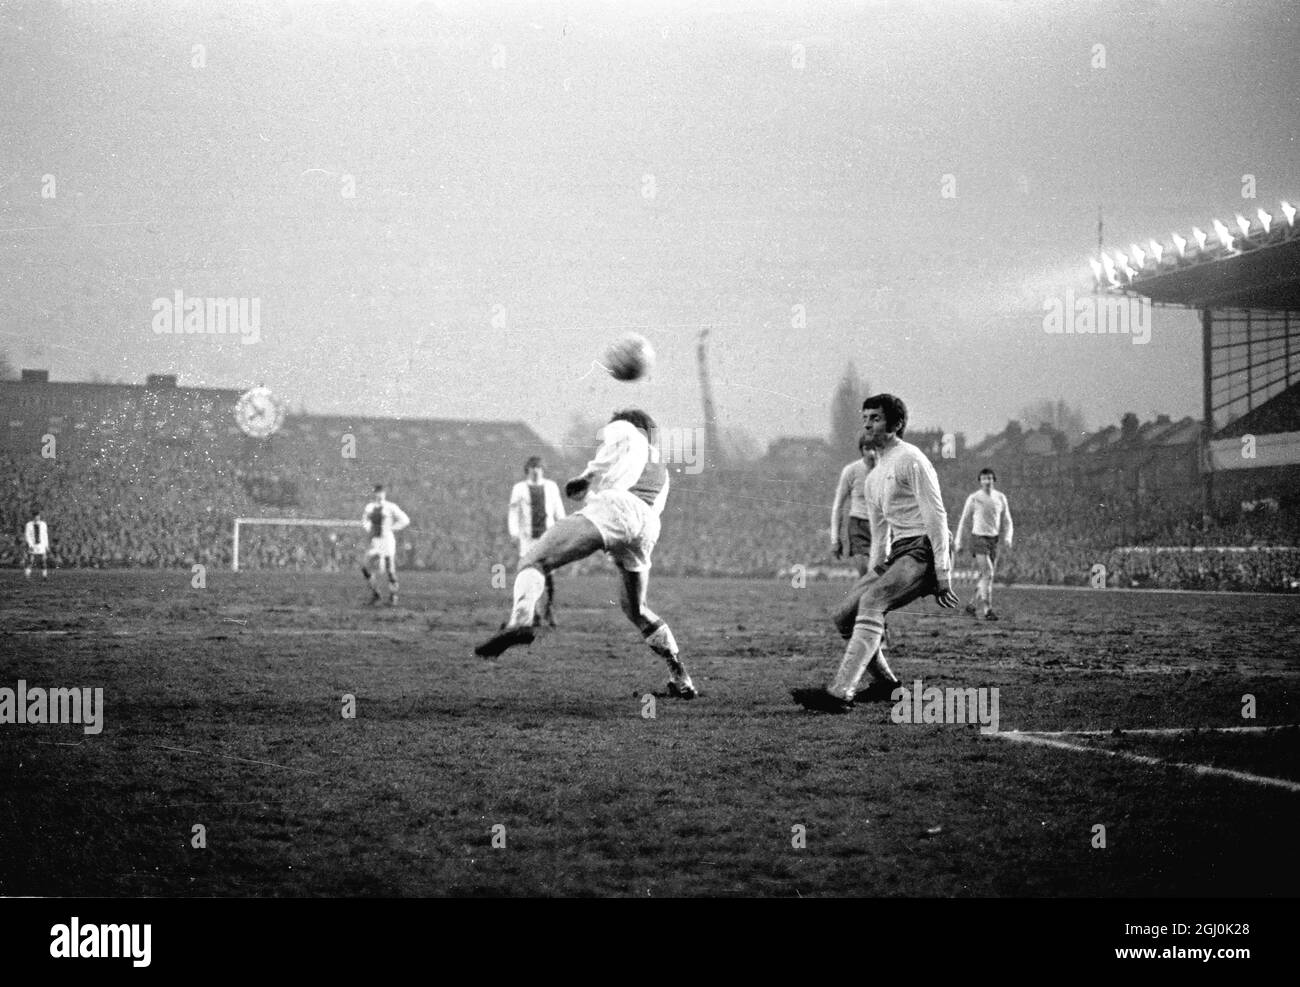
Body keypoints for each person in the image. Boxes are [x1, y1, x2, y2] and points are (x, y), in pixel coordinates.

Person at [474, 409, 698, 700]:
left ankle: (520, 621)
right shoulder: (661, 469)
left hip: (617, 509)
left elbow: (609, 457)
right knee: (637, 609)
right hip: (646, 527)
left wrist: (586, 476)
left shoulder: (626, 429)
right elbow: (640, 500)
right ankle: (681, 677)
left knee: (534, 560)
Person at [793, 394, 959, 713]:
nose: (868, 423)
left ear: (896, 424)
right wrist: (872, 574)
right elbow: (881, 533)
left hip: (923, 547)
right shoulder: (872, 478)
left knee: (873, 602)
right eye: (865, 418)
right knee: (843, 614)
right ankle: (886, 685)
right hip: (898, 552)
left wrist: (943, 573)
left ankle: (841, 693)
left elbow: (936, 516)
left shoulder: (911, 459)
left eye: (876, 418)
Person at [508, 456, 566, 627]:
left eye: (538, 467)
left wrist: (563, 528)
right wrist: (514, 532)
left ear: (542, 470)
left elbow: (558, 509)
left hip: (548, 538)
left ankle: (549, 611)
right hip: (528, 540)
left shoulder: (551, 486)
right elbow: (513, 511)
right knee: (529, 576)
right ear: (527, 470)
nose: (536, 470)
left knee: (548, 575)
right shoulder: (519, 488)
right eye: (532, 467)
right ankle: (533, 614)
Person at [954, 467, 1014, 620]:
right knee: (988, 573)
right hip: (978, 538)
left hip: (993, 539)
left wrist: (1008, 537)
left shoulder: (1000, 497)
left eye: (989, 478)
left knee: (985, 575)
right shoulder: (974, 498)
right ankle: (988, 610)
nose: (987, 481)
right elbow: (964, 520)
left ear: (993, 480)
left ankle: (972, 605)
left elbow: (1007, 520)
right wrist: (958, 541)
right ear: (980, 481)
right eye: (983, 479)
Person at [831, 435, 876, 577]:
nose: (871, 453)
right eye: (867, 448)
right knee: (864, 570)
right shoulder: (851, 471)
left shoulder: (886, 469)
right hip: (858, 525)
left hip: (880, 525)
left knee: (878, 573)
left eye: (874, 448)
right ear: (861, 450)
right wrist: (835, 539)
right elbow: (838, 505)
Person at [361, 484, 411, 606]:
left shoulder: (390, 507)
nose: (379, 494)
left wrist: (392, 528)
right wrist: (370, 530)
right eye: (376, 492)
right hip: (375, 541)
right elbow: (364, 521)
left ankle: (393, 596)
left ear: (384, 493)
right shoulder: (369, 507)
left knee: (390, 569)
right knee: (365, 567)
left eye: (381, 492)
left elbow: (405, 520)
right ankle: (376, 594)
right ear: (374, 494)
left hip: (387, 541)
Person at [24, 509, 50, 579]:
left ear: (39, 517)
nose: (37, 518)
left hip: (41, 544)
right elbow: (27, 535)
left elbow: (45, 535)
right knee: (31, 560)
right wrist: (30, 545)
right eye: (35, 517)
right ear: (33, 517)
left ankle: (44, 575)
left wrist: (47, 545)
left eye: (38, 516)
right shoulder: (29, 524)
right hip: (33, 544)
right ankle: (27, 575)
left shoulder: (43, 524)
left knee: (43, 560)